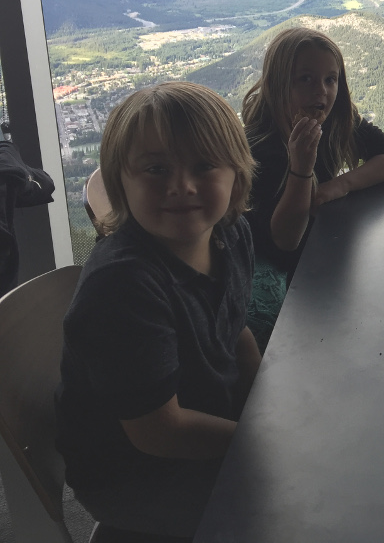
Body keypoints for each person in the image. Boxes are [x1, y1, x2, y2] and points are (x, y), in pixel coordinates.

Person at [55, 82, 261, 538]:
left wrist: (268, 407)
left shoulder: (232, 235)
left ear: (237, 175)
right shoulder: (123, 286)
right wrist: (265, 442)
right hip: (136, 475)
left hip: (206, 424)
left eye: (204, 165)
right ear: (121, 184)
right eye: (155, 169)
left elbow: (236, 330)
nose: (181, 186)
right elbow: (159, 433)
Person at [241, 26, 384, 277]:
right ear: (277, 84)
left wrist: (341, 184)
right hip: (283, 277)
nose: (321, 91)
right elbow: (284, 241)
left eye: (330, 79)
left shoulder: (335, 121)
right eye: (305, 79)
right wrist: (301, 169)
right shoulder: (258, 149)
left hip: (324, 253)